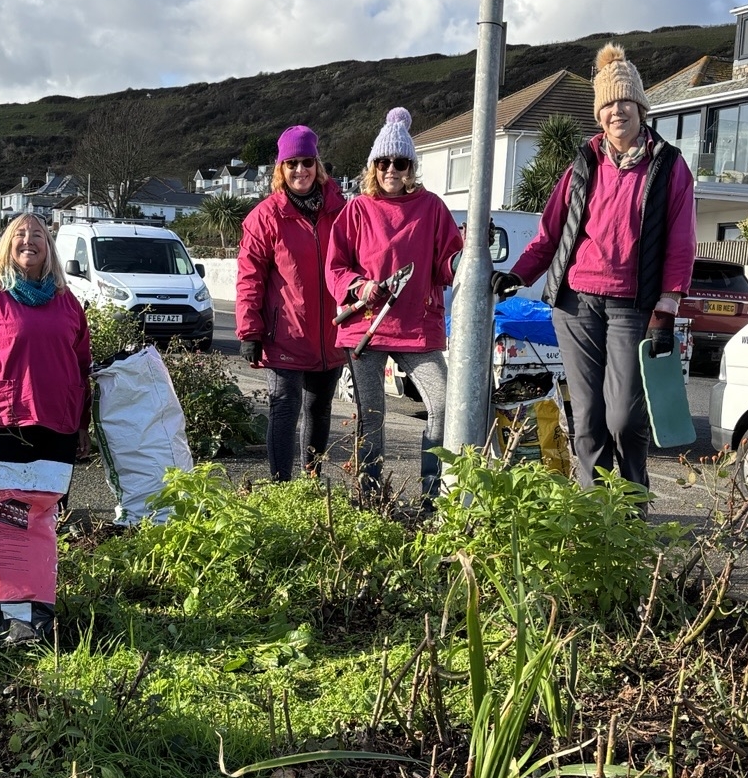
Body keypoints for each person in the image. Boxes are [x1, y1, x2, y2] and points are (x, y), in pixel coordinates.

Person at [495, 43, 695, 489]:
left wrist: (666, 310)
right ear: (599, 114)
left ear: (641, 107)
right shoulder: (583, 164)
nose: (616, 111)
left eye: (625, 102)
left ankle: (631, 510)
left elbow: (681, 244)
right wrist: (518, 275)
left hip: (633, 305)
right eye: (607, 105)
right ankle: (592, 515)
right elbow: (549, 233)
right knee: (587, 418)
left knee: (624, 416)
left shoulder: (669, 166)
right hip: (576, 303)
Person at [325, 108, 463, 501]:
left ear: (411, 168)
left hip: (417, 328)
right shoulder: (356, 210)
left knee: (443, 405)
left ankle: (434, 499)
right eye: (383, 162)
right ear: (373, 166)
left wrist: (463, 259)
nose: (391, 170)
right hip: (364, 327)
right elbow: (335, 266)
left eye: (400, 163)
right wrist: (359, 286)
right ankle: (368, 499)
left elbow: (447, 265)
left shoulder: (433, 208)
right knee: (373, 417)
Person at [236, 125, 346, 482]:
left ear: (318, 165)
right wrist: (249, 329)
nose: (301, 170)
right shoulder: (264, 217)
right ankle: (282, 488)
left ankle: (311, 483)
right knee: (285, 407)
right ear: (280, 169)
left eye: (307, 162)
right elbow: (250, 276)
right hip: (284, 332)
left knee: (320, 408)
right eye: (292, 163)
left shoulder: (340, 209)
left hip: (330, 331)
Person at [0, 214, 92, 463]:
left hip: (60, 422)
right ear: (8, 244)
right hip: (3, 422)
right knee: (6, 502)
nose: (28, 240)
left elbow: (83, 366)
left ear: (49, 247)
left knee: (52, 503)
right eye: (20, 234)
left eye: (37, 235)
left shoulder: (66, 299)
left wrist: (84, 421)